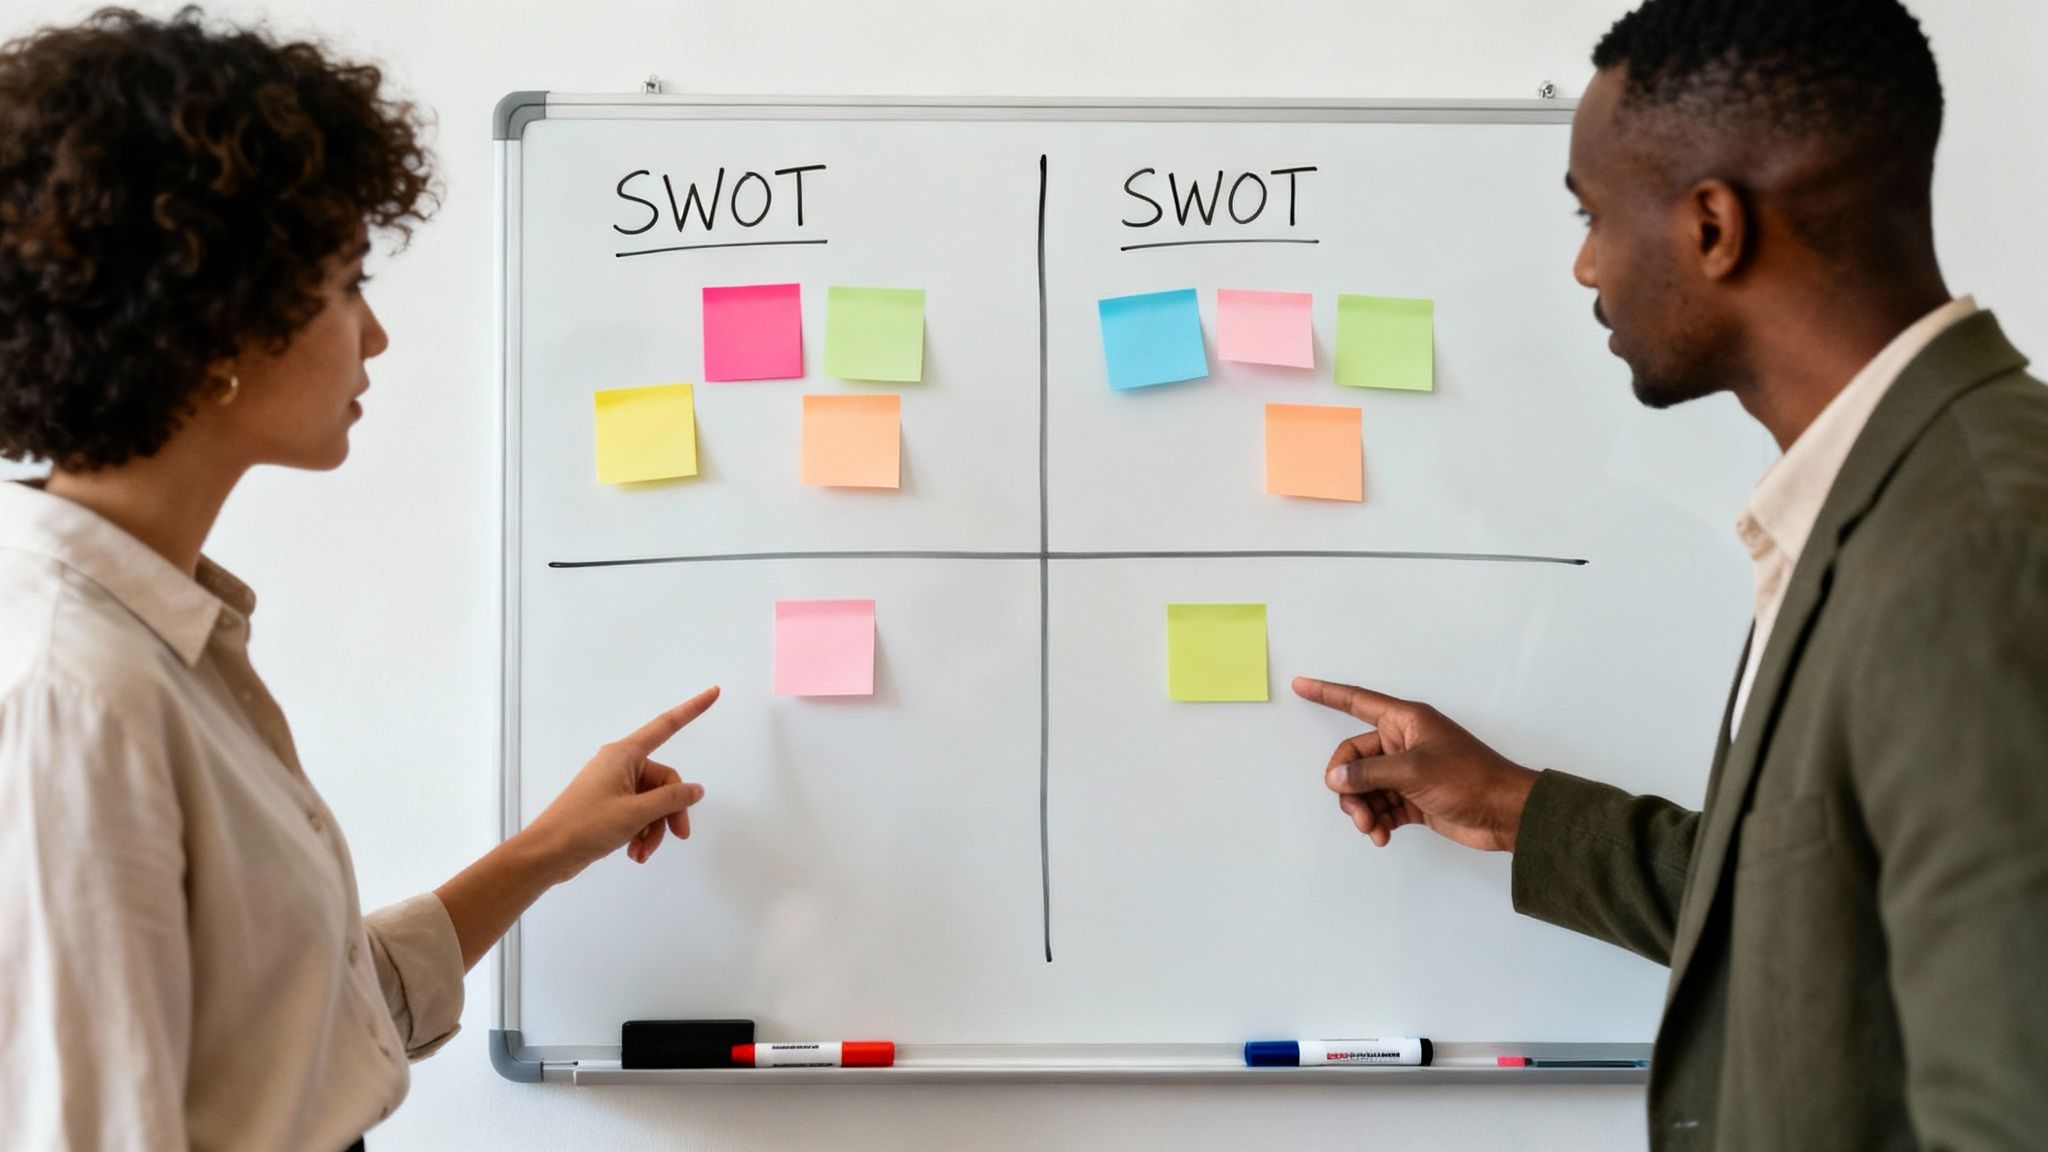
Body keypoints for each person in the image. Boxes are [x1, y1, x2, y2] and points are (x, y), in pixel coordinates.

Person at [1294, 1, 2048, 1149]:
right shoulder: (1868, 504)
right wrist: (1511, 806)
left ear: (1710, 226)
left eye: (1593, 214)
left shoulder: (1976, 541)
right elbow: (1811, 916)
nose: (1583, 261)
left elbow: (2011, 1097)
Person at [0, 10, 713, 1149]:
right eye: (346, 286)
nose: (374, 337)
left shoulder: (159, 642)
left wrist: (544, 851)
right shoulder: (73, 693)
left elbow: (291, 1037)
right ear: (217, 326)